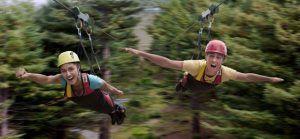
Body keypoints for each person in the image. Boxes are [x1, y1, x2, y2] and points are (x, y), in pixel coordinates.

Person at [123, 40, 284, 93]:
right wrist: (139, 53)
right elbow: (167, 62)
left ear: (223, 60)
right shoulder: (196, 65)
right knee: (185, 80)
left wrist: (270, 79)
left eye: (218, 57)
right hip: (193, 82)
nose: (214, 59)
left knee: (193, 80)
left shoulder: (226, 72)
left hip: (207, 87)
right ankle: (183, 82)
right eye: (211, 56)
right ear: (206, 57)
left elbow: (247, 76)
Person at [15, 51, 126, 125]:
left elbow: (107, 86)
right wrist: (28, 75)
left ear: (78, 67)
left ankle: (117, 109)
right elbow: (46, 79)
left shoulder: (91, 80)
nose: (67, 74)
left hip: (104, 101)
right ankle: (111, 113)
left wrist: (117, 91)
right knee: (103, 110)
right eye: (63, 70)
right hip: (91, 105)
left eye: (71, 69)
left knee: (110, 108)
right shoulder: (62, 80)